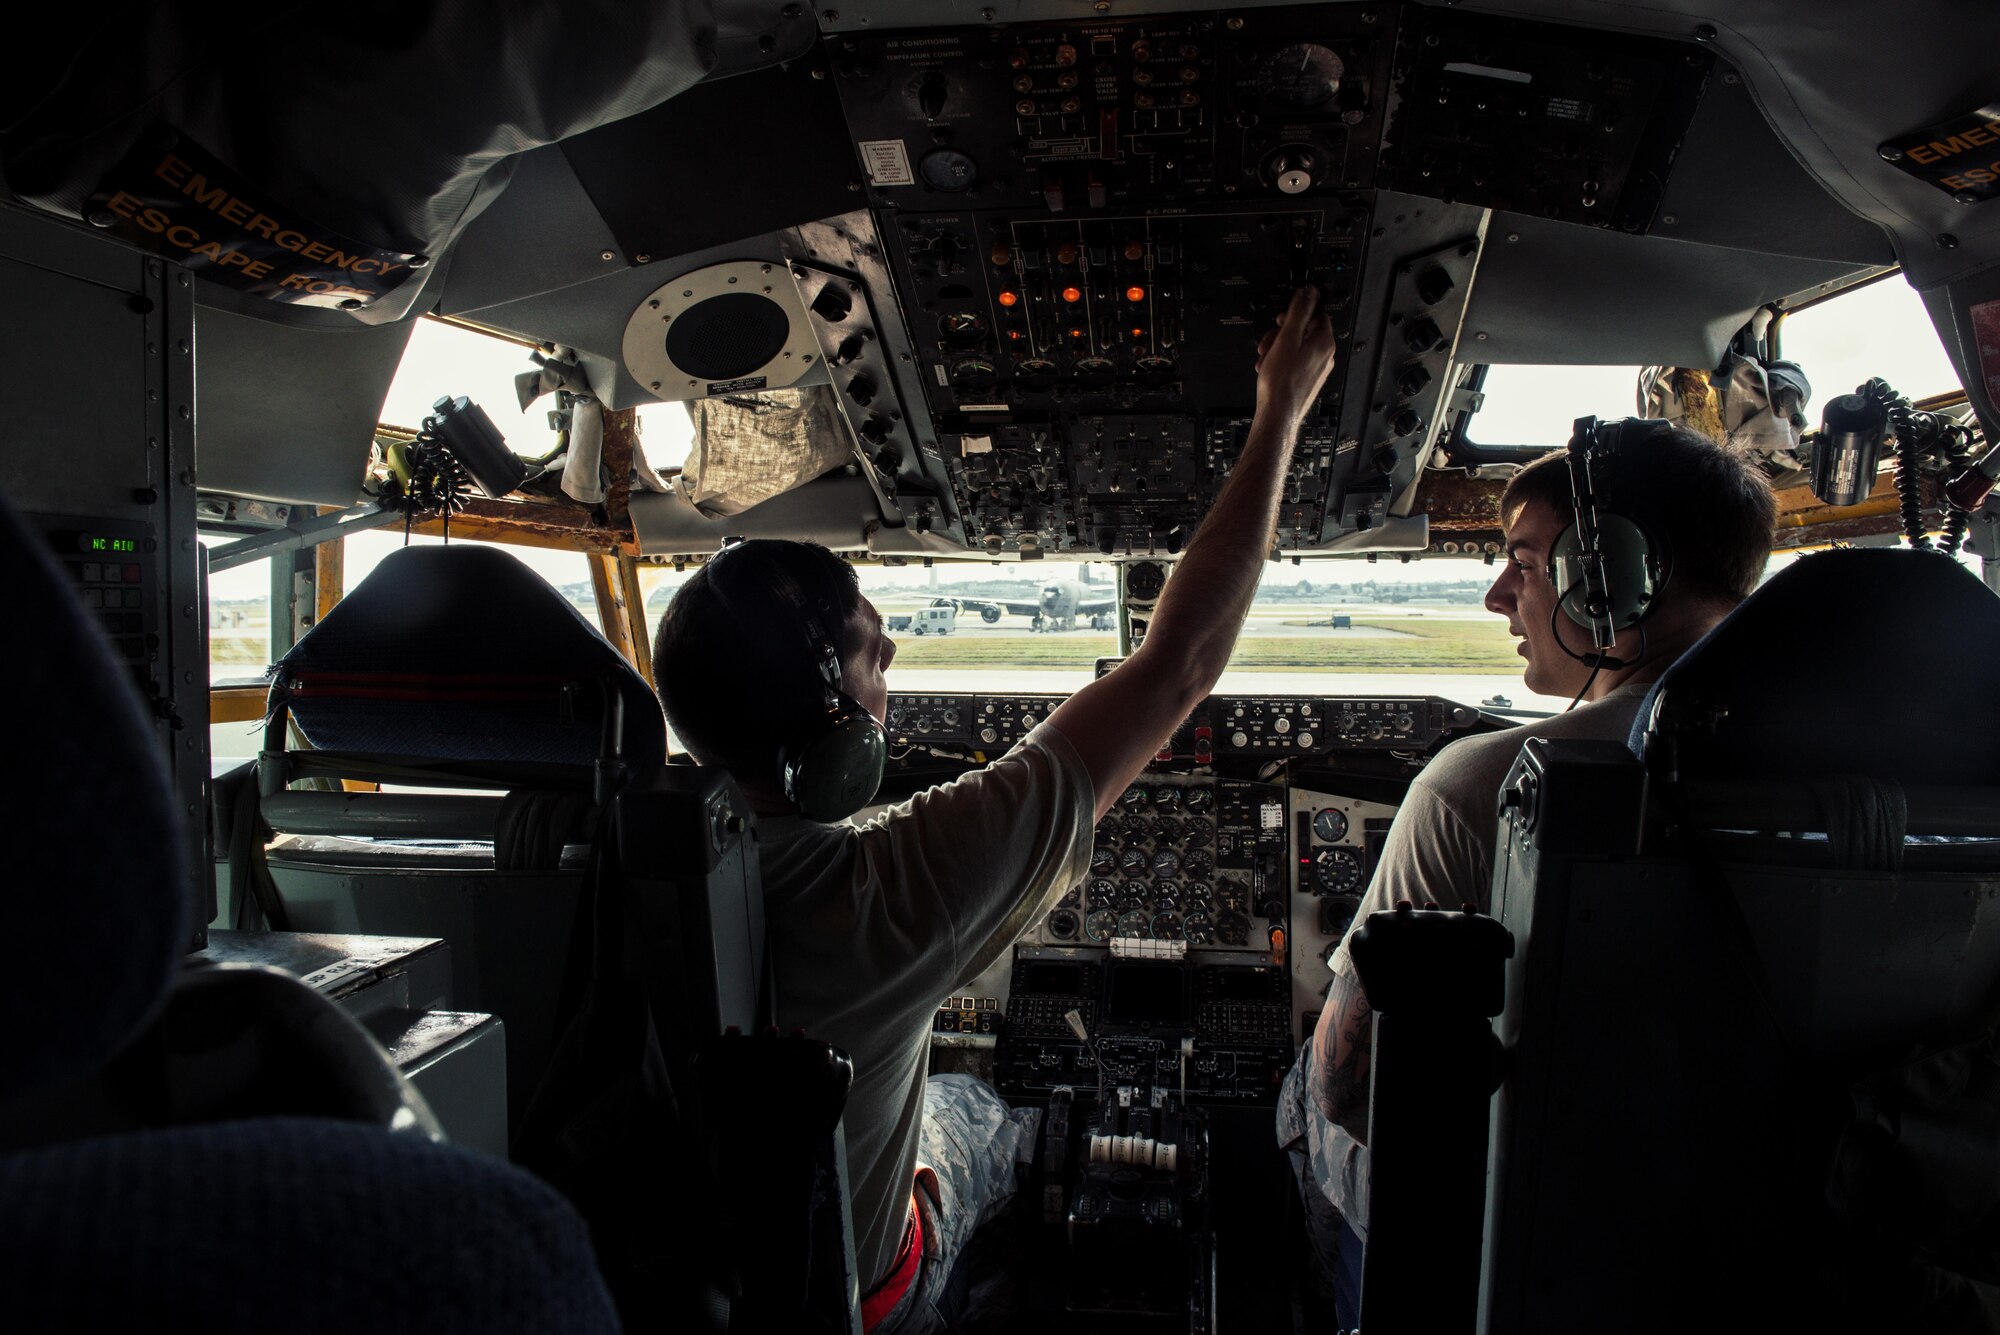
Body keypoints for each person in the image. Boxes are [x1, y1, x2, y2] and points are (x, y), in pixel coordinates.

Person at [652, 288, 1340, 1334]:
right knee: (982, 1108)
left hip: (658, 1283)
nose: (893, 675)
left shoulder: (588, 866)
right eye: (875, 655)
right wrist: (1279, 407)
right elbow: (1178, 666)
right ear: (830, 724)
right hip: (849, 1304)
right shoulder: (883, 896)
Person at [1276, 420, 1777, 1326]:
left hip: (1521, 1235)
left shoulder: (1482, 786)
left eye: (1525, 562)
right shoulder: (1909, 766)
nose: (1498, 596)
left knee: (1303, 1089)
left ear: (1615, 572)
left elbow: (1351, 1091)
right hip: (1779, 1224)